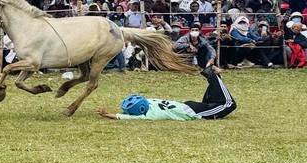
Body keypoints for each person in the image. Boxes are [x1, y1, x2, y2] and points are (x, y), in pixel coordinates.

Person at [96, 66, 236, 120]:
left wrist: (108, 114)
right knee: (214, 103)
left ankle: (212, 74)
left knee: (229, 104)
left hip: (191, 111)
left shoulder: (151, 115)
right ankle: (214, 79)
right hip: (188, 106)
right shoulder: (150, 102)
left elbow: (129, 117)